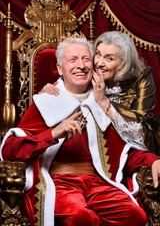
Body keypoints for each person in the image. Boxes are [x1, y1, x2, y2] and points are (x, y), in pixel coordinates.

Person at [1, 37, 160, 226]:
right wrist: (52, 134)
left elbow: (122, 151)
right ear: (60, 69)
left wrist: (153, 160)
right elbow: (10, 150)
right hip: (60, 184)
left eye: (86, 59)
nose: (81, 65)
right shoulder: (45, 102)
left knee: (135, 215)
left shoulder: (101, 104)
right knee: (81, 218)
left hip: (98, 184)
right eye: (73, 60)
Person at [41, 31, 160, 156]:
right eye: (98, 55)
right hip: (101, 148)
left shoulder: (142, 77)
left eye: (109, 58)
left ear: (124, 62)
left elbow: (140, 128)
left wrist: (103, 101)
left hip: (140, 143)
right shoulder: (89, 71)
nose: (100, 63)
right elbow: (72, 79)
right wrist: (51, 89)